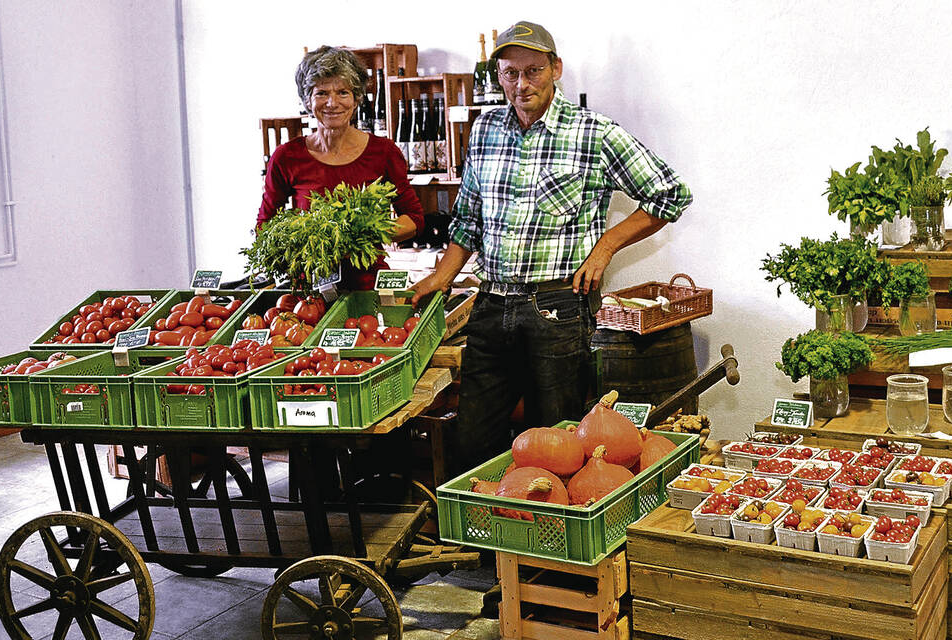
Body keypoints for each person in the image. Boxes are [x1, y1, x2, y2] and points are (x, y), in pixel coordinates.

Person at [411, 21, 693, 474]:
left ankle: (547, 539)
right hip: (492, 303)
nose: (520, 85)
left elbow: (671, 193)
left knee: (558, 445)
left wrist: (605, 247)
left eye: (533, 71)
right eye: (509, 73)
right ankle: (489, 538)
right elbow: (468, 218)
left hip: (558, 309)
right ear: (496, 76)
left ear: (555, 69)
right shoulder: (485, 130)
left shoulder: (594, 133)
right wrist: (443, 276)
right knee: (471, 441)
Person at [258, 46, 424, 290]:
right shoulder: (287, 157)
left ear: (357, 98)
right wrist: (302, 243)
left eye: (343, 92)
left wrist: (361, 237)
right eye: (321, 93)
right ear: (307, 100)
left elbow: (414, 219)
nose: (332, 103)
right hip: (309, 290)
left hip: (369, 285)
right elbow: (266, 226)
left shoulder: (383, 153)